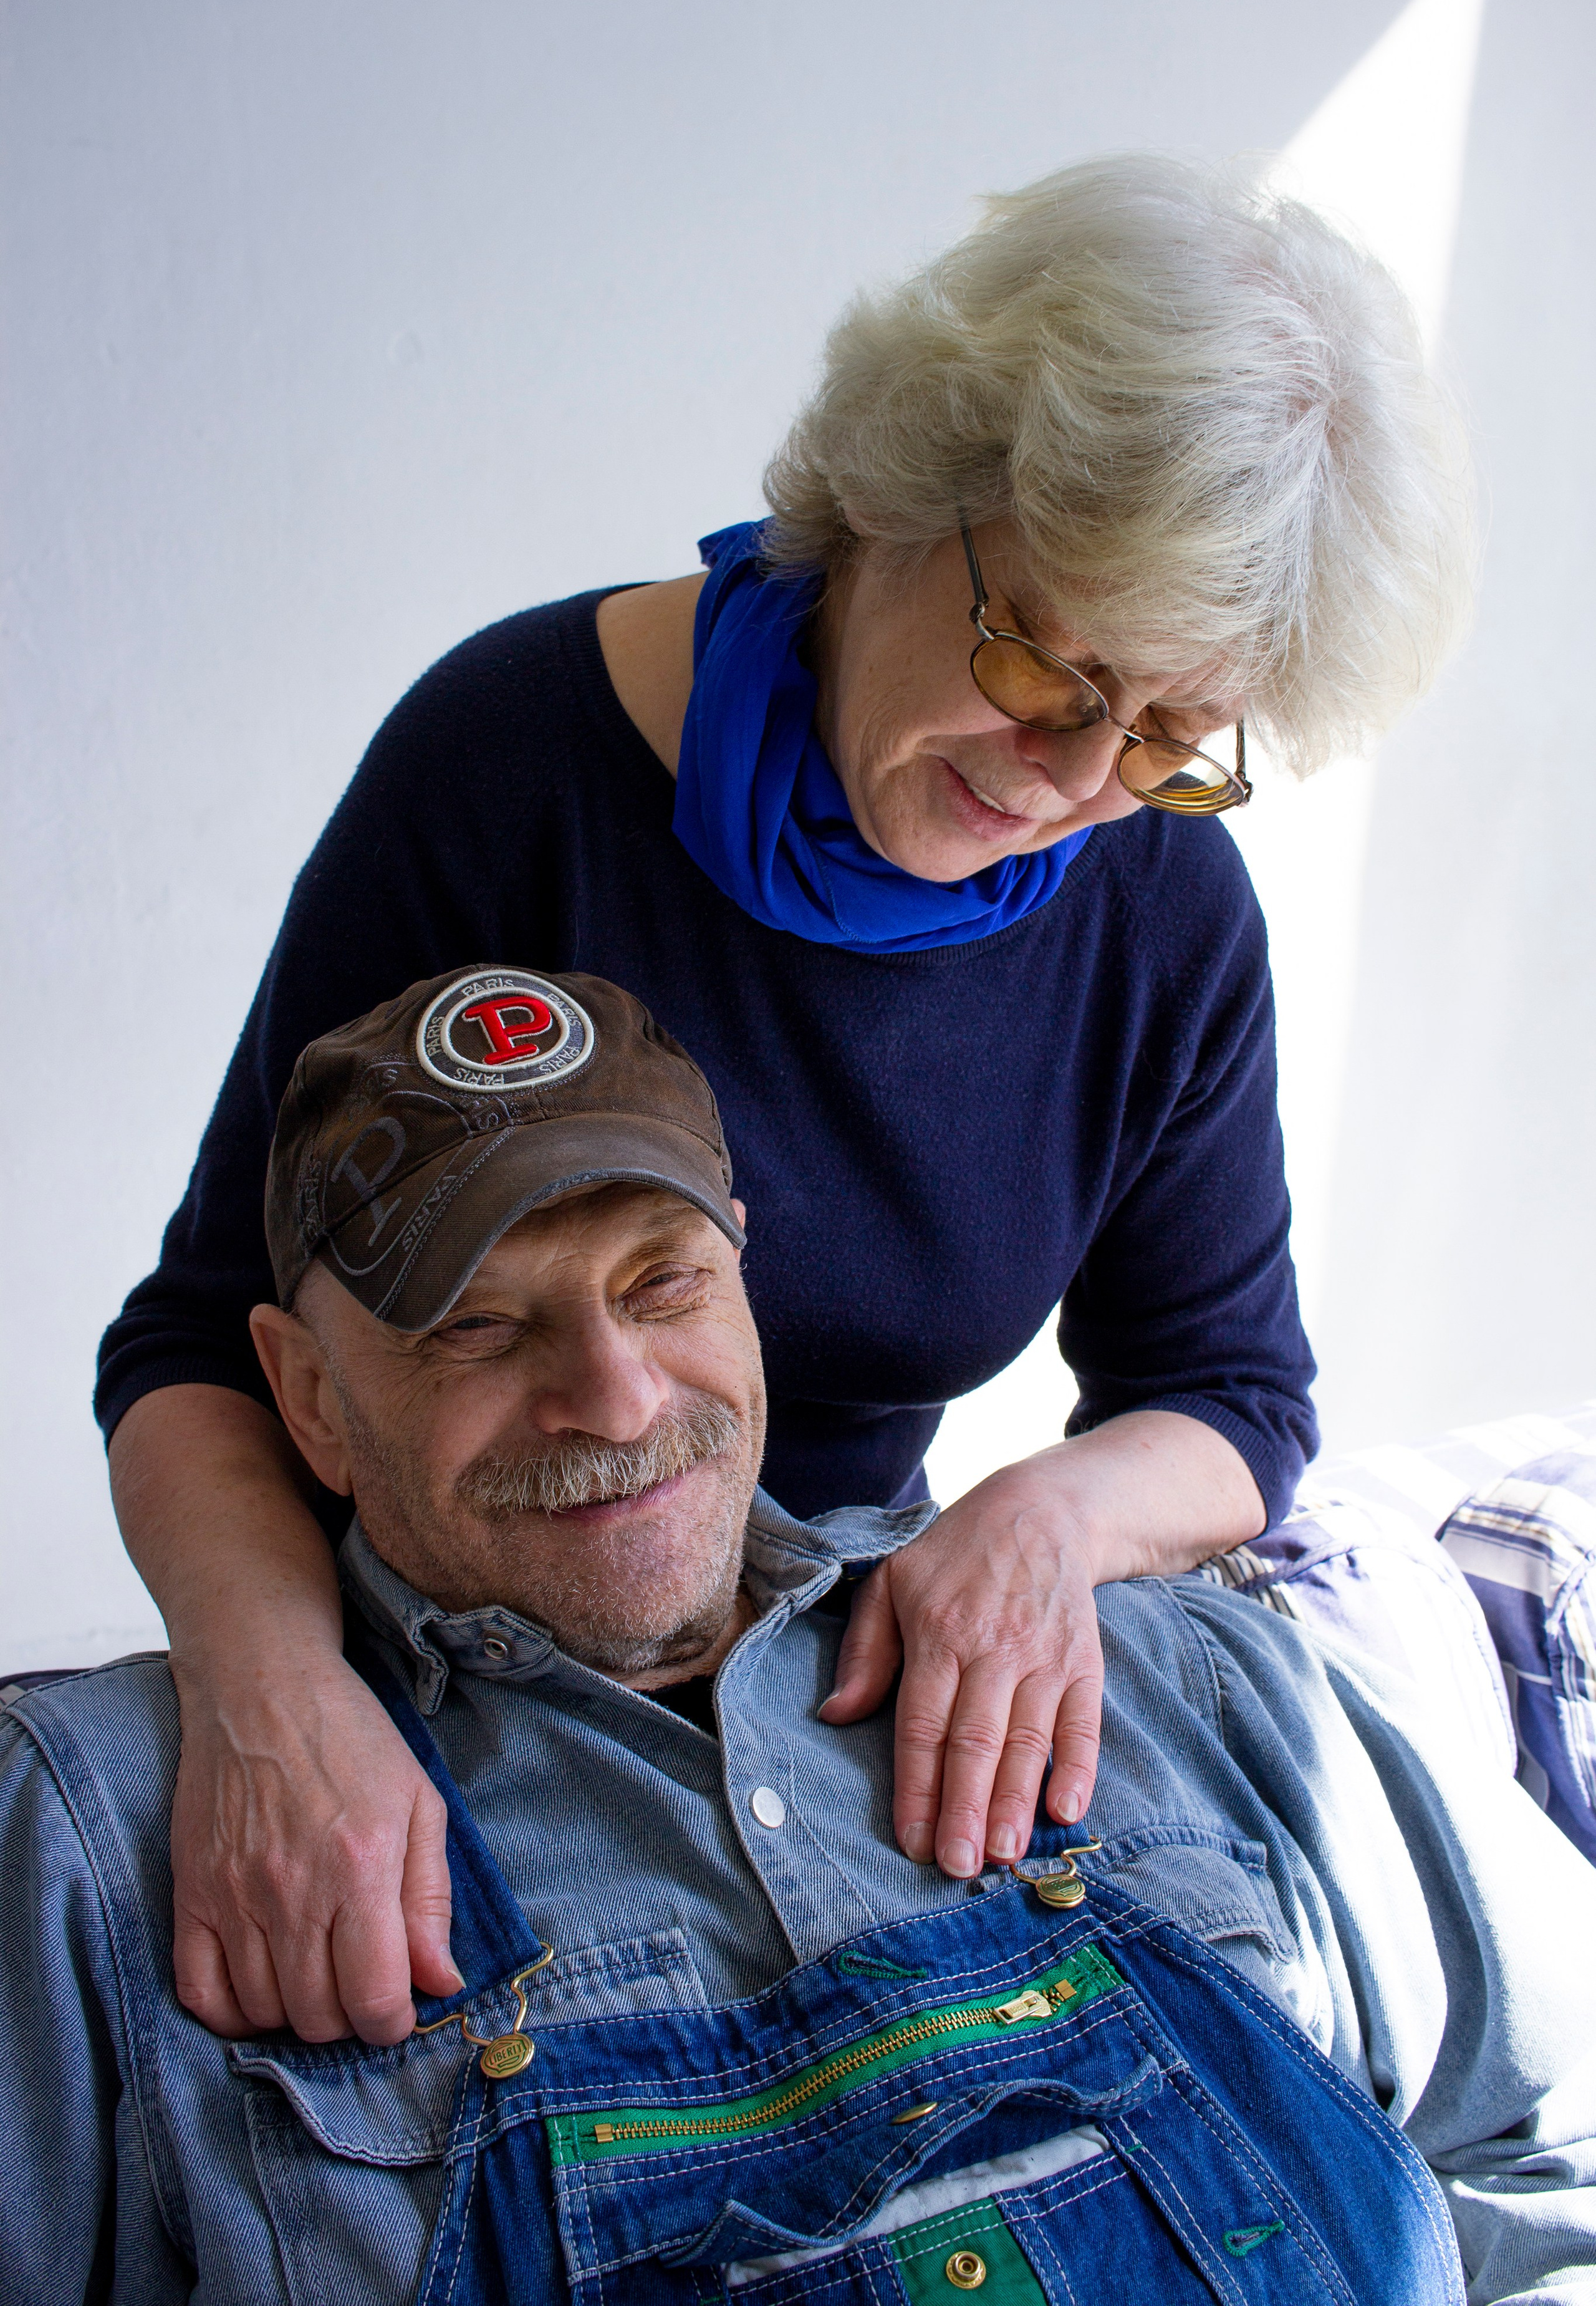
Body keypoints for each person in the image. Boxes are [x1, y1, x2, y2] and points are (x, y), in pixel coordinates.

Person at [95, 154, 1476, 2047]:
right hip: (455, 1672)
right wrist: (276, 1700)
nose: (1073, 779)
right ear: (902, 494)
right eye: (1043, 666)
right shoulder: (508, 764)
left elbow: (1230, 1400)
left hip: (820, 1652)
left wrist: (1051, 1519)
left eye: (1167, 735)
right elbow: (194, 1344)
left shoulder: (1156, 906)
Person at [16, 970, 1592, 2305]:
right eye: (479, 1328)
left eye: (664, 1283)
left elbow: (1559, 2152)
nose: (618, 1399)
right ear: (306, 1398)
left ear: (746, 1280)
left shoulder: (1182, 1674)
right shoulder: (101, 1840)